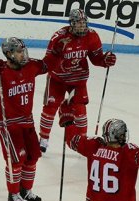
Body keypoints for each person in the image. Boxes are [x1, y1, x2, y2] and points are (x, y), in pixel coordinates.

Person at [0, 37, 49, 201]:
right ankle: (13, 195)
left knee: (33, 156)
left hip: (27, 121)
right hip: (8, 125)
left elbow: (48, 65)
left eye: (23, 50)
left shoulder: (30, 67)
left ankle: (26, 191)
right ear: (9, 54)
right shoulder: (0, 71)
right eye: (19, 52)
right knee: (16, 160)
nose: (23, 54)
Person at [39, 8, 117, 153]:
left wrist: (105, 60)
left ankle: (82, 141)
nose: (82, 26)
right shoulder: (59, 37)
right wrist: (57, 51)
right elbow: (47, 62)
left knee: (80, 110)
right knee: (50, 108)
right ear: (71, 24)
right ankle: (43, 139)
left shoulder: (92, 36)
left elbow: (96, 58)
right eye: (78, 23)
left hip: (78, 79)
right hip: (58, 78)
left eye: (84, 23)